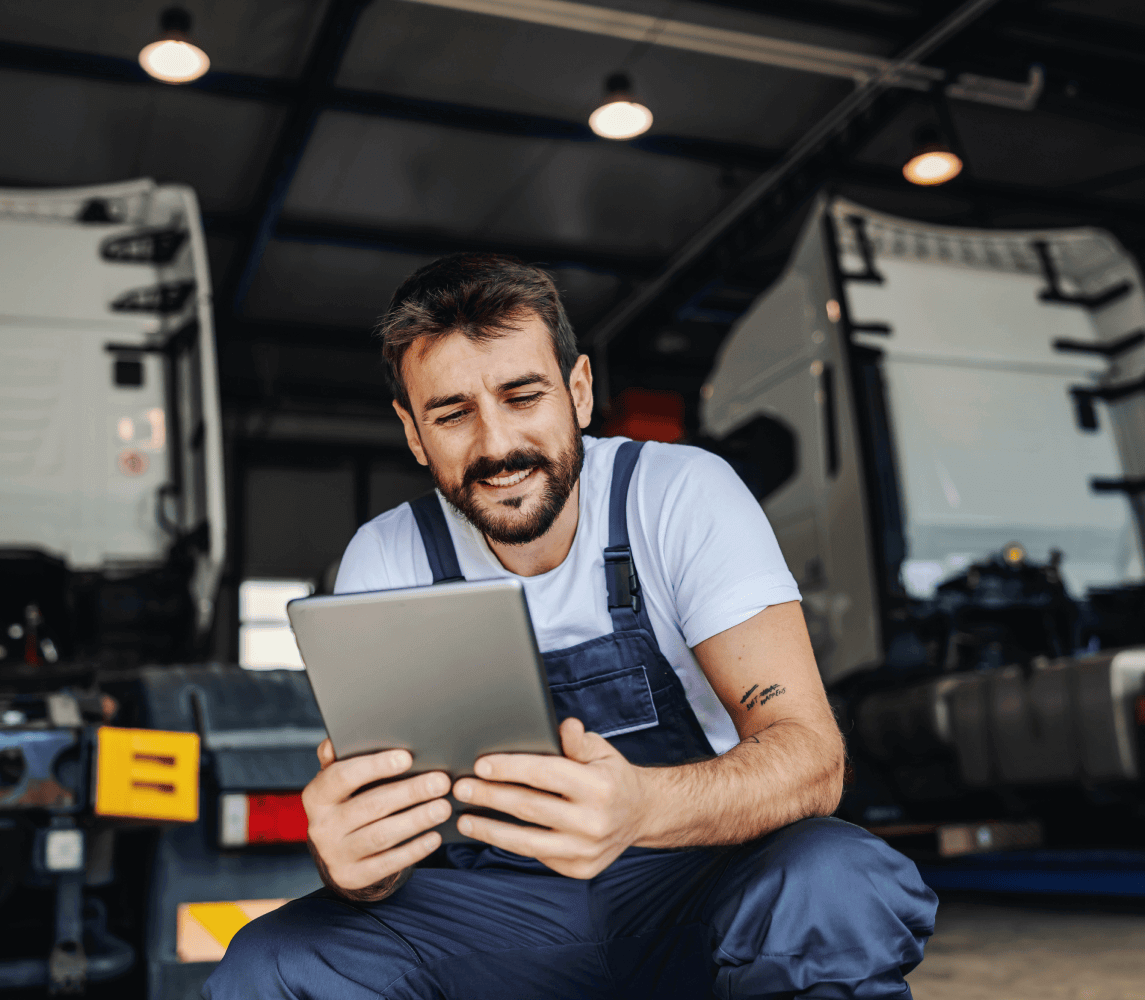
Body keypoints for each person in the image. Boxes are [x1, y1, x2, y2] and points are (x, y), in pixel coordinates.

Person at [205, 254, 936, 999]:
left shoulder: (681, 495)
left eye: (523, 396)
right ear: (413, 433)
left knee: (835, 883)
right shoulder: (387, 556)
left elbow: (813, 758)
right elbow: (382, 854)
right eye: (453, 414)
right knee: (274, 965)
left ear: (579, 390)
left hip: (692, 886)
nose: (496, 445)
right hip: (493, 920)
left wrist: (641, 807)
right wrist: (354, 864)